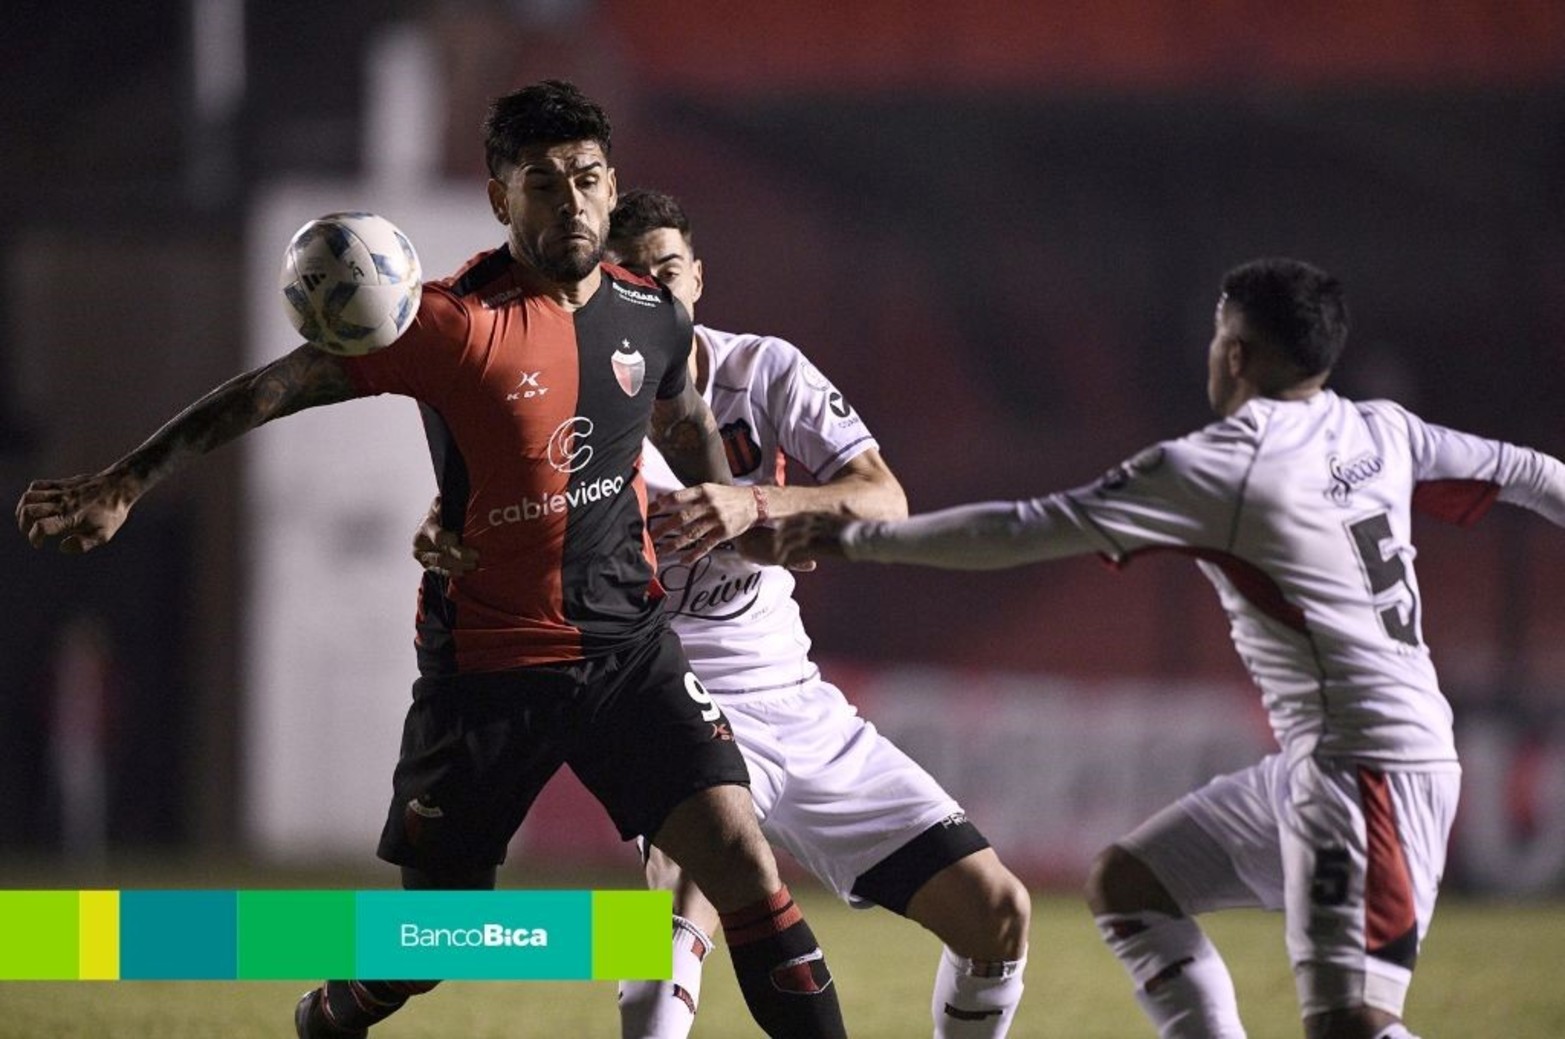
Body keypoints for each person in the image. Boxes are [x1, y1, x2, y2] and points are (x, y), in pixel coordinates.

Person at [15, 81, 849, 1039]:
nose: (570, 201)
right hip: (487, 671)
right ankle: (340, 1007)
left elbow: (688, 412)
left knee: (742, 860)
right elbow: (277, 387)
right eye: (542, 182)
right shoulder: (450, 321)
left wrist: (737, 513)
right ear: (502, 199)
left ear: (612, 186)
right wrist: (125, 481)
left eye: (586, 179)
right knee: (444, 928)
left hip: (629, 652)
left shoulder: (651, 313)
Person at [772, 257, 1565, 1039]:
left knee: (1351, 1022)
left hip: (1360, 772)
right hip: (1336, 758)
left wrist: (862, 540)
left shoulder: (1221, 463)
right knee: (1132, 884)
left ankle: (650, 995)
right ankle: (647, 995)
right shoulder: (1380, 429)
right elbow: (1529, 471)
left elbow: (1023, 527)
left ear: (1233, 352)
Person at [415, 187, 1032, 1039]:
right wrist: (451, 527)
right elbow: (494, 509)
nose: (655, 290)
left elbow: (883, 498)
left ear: (697, 279)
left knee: (997, 912)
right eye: (631, 276)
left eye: (668, 269)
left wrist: (758, 506)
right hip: (667, 699)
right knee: (666, 937)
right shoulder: (570, 402)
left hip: (798, 700)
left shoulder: (764, 369)